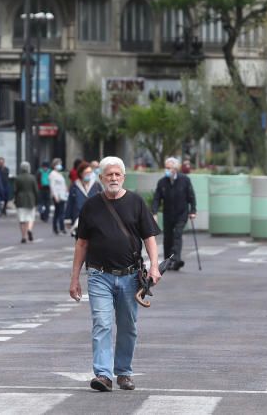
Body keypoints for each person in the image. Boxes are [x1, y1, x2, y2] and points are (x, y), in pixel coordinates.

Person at [70, 156, 161, 392]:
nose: (113, 178)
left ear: (123, 177)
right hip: (99, 275)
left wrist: (154, 266)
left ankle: (124, 372)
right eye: (109, 174)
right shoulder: (91, 206)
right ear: (101, 178)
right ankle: (103, 374)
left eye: (117, 174)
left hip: (130, 276)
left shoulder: (136, 203)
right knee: (102, 323)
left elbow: (149, 237)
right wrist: (74, 278)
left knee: (128, 325)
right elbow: (81, 244)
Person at [151, 157, 197, 271]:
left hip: (181, 214)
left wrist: (193, 211)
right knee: (167, 238)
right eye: (165, 168)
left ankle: (175, 259)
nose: (166, 170)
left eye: (168, 168)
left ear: (175, 169)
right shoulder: (162, 182)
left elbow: (191, 196)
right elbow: (157, 199)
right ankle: (168, 260)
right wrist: (154, 213)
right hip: (168, 214)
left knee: (177, 234)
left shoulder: (185, 180)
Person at [66, 163, 102, 233]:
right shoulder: (75, 186)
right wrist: (68, 219)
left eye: (90, 172)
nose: (89, 174)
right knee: (80, 241)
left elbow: (102, 203)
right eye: (86, 173)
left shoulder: (96, 185)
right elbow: (70, 203)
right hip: (78, 220)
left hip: (94, 220)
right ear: (81, 174)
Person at [14, 161, 39, 243]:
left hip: (20, 200)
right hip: (31, 199)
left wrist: (15, 199)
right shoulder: (32, 178)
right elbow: (36, 190)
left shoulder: (18, 178)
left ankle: (23, 236)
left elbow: (15, 190)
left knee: (22, 219)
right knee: (30, 217)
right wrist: (37, 200)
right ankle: (29, 229)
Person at [50, 158, 69, 235]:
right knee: (60, 212)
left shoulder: (59, 174)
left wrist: (66, 190)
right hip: (57, 196)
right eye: (58, 164)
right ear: (54, 165)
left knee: (58, 212)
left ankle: (57, 228)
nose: (60, 165)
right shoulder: (52, 174)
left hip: (62, 195)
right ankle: (61, 228)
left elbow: (63, 184)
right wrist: (55, 195)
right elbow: (52, 186)